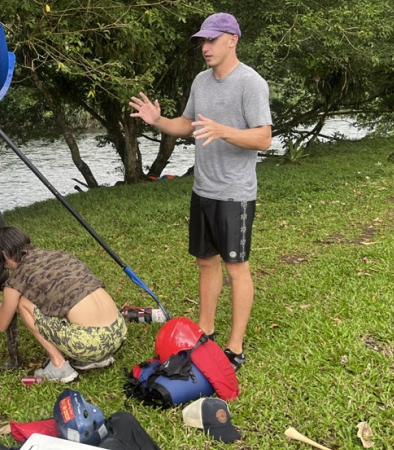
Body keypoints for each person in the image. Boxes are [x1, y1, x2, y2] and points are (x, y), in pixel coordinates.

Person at [128, 12, 272, 371]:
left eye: (212, 40)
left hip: (235, 193)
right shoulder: (201, 82)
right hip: (203, 189)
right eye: (202, 41)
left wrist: (225, 131)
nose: (205, 47)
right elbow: (188, 125)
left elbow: (264, 138)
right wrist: (158, 120)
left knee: (236, 266)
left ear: (232, 40)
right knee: (205, 262)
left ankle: (234, 347)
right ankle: (205, 330)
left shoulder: (251, 84)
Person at [0, 227, 127, 383]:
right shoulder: (60, 255)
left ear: (5, 254)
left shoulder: (17, 279)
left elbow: (1, 324)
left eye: (2, 262)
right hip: (118, 334)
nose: (5, 267)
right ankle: (96, 358)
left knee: (23, 303)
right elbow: (53, 301)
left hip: (90, 344)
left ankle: (59, 366)